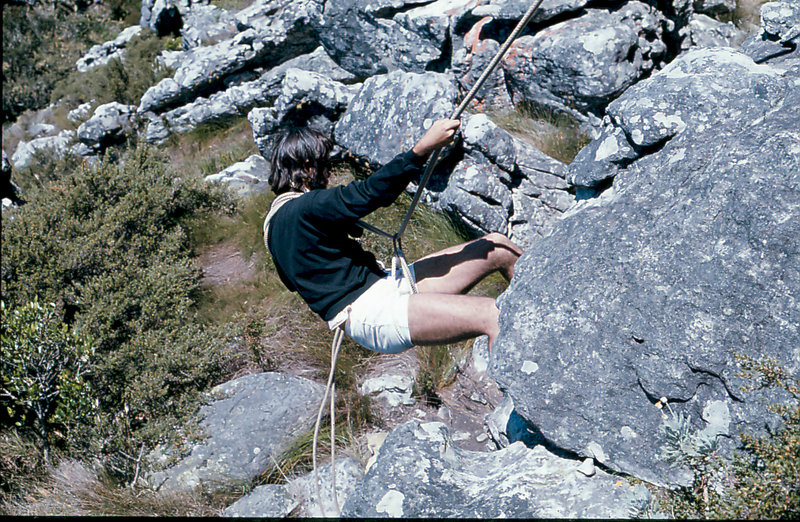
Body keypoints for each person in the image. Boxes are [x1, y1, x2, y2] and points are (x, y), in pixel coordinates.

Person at [264, 118, 523, 354]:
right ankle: (531, 399)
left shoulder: (274, 227)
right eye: (324, 164)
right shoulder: (307, 206)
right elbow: (370, 193)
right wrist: (422, 149)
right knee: (494, 316)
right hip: (375, 312)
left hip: (384, 289)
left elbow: (302, 274)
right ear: (308, 166)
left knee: (498, 247)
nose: (328, 172)